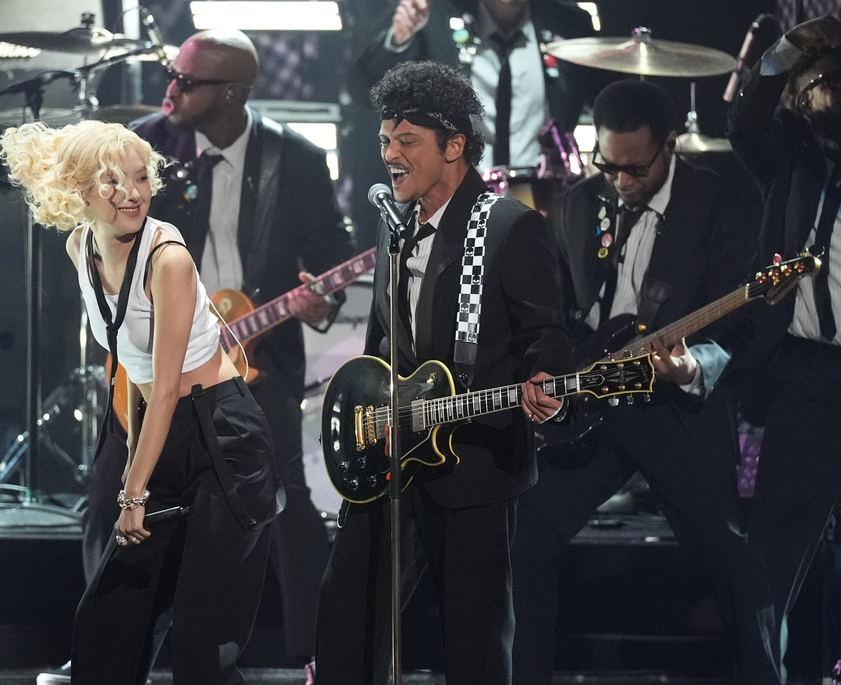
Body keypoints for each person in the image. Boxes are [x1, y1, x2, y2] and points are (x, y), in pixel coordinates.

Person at [509, 78, 780, 684]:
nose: (621, 181)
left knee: (732, 559)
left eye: (635, 168)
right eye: (608, 165)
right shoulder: (578, 204)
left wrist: (692, 366)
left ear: (670, 145)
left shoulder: (724, 207)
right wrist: (547, 369)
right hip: (592, 411)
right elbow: (555, 314)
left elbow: (747, 327)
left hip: (675, 409)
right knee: (526, 534)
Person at [314, 60, 574, 684]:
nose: (390, 155)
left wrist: (547, 386)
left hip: (476, 465)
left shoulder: (510, 227)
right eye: (384, 141)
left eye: (407, 141)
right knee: (346, 615)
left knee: (474, 642)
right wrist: (368, 412)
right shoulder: (393, 224)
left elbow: (551, 336)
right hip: (392, 456)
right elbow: (383, 339)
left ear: (454, 145)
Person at [0, 119, 280, 685]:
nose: (132, 193)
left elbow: (170, 385)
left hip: (222, 437)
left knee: (202, 641)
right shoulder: (80, 246)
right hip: (157, 426)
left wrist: (133, 493)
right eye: (110, 181)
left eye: (140, 177)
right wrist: (130, 466)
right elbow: (131, 360)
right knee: (109, 624)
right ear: (76, 189)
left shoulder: (167, 259)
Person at [128, 28, 355, 680]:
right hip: (161, 359)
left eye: (186, 81)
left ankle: (315, 650)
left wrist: (322, 300)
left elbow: (334, 259)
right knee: (113, 492)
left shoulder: (296, 158)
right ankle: (118, 649)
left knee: (285, 495)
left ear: (232, 94)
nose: (170, 89)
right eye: (172, 75)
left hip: (256, 355)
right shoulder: (146, 146)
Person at [728, 9, 841, 680]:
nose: (826, 97)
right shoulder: (794, 160)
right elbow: (745, 123)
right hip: (811, 378)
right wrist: (787, 52)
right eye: (819, 87)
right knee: (770, 558)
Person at [348, 0, 596, 169]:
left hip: (543, 193)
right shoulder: (435, 18)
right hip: (454, 193)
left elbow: (609, 104)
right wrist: (399, 39)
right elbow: (367, 90)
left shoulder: (569, 23)